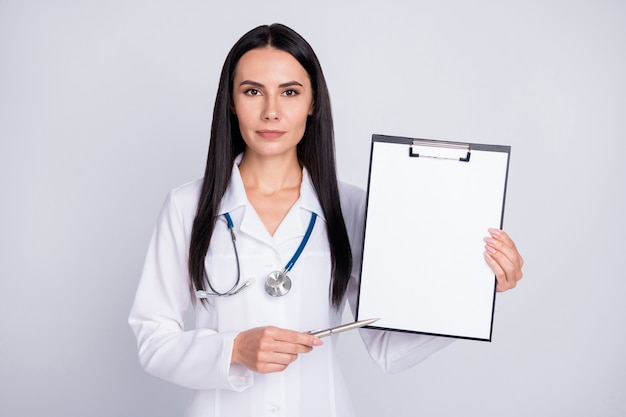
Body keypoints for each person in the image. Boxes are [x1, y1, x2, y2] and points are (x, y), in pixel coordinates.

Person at [128, 23, 524, 417]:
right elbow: (152, 338)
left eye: (290, 92)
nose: (271, 111)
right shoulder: (187, 207)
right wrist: (232, 350)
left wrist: (474, 290)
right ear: (231, 102)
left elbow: (388, 347)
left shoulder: (351, 207)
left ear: (313, 102)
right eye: (252, 91)